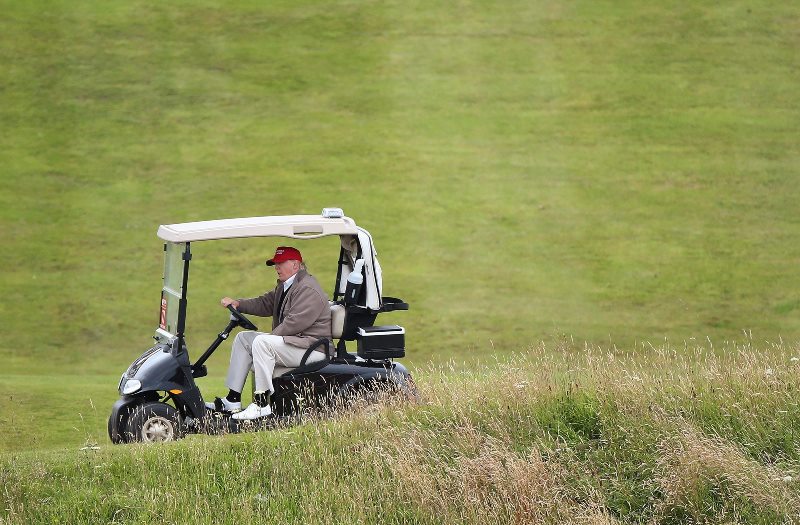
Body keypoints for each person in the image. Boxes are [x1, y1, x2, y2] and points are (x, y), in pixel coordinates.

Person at [208, 246, 332, 420]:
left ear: (296, 265)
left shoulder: (308, 289)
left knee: (261, 342)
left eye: (281, 263)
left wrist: (265, 341)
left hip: (312, 349)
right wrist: (239, 304)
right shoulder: (286, 285)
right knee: (244, 338)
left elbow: (294, 323)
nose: (277, 267)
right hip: (296, 343)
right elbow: (265, 303)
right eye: (276, 263)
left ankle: (261, 404)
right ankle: (233, 399)